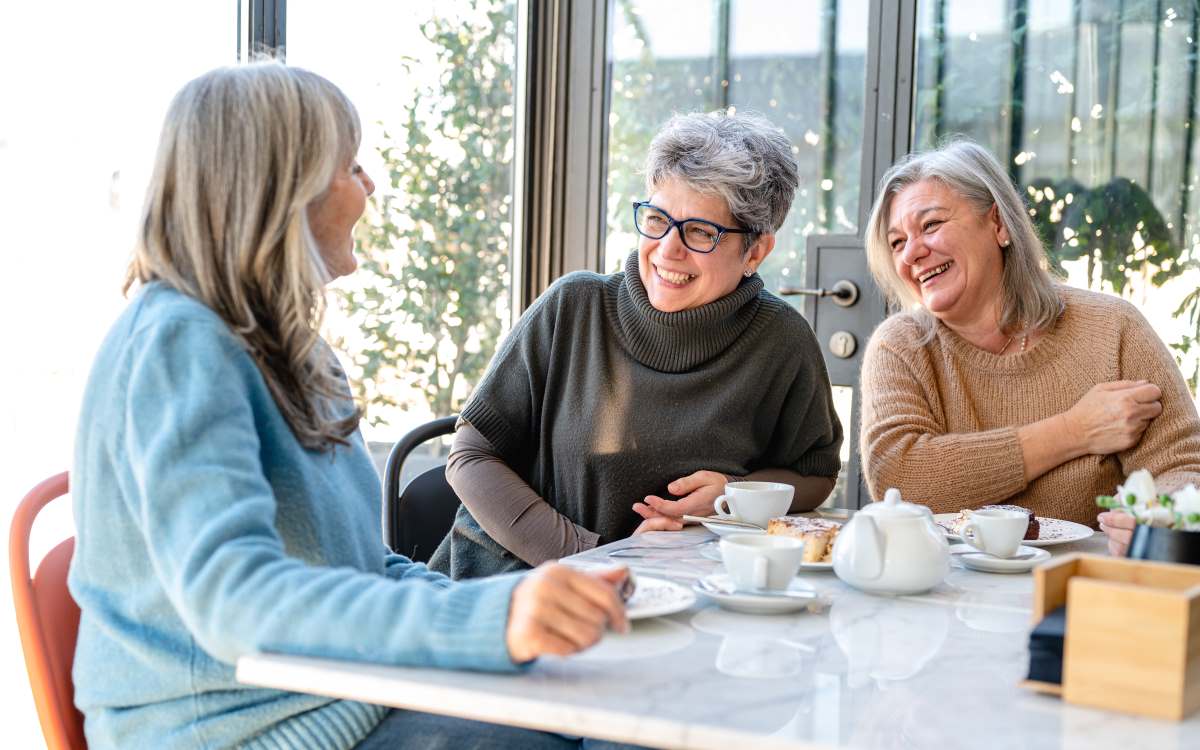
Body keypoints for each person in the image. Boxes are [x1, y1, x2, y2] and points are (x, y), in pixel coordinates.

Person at [68, 62, 638, 750]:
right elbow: (231, 600)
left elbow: (363, 566)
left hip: (336, 696)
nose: (370, 187)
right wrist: (490, 623)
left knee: (613, 714)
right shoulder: (177, 345)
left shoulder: (298, 355)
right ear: (281, 189)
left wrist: (504, 608)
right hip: (233, 729)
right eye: (352, 166)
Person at [430, 111, 843, 579]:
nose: (668, 249)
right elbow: (470, 456)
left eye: (701, 232)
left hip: (681, 597)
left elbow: (813, 475)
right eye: (657, 219)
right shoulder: (574, 306)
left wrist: (734, 492)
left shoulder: (781, 339)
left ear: (755, 251)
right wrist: (598, 556)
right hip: (516, 586)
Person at [858, 138, 1200, 555]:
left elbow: (1183, 466)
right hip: (941, 588)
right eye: (897, 242)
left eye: (930, 225)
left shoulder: (1114, 329)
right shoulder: (901, 347)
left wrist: (1153, 516)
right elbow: (900, 478)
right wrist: (1076, 431)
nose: (912, 252)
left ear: (998, 224)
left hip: (1079, 586)